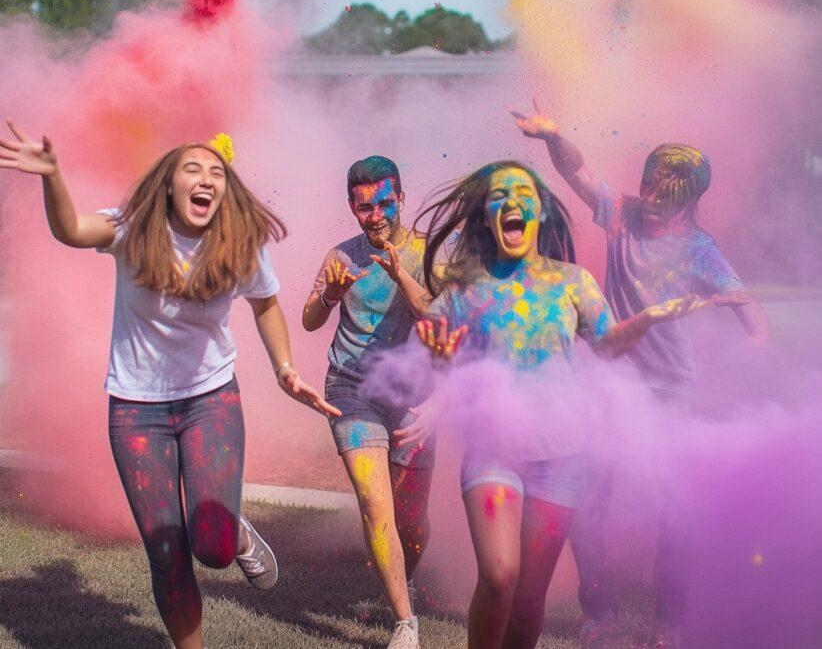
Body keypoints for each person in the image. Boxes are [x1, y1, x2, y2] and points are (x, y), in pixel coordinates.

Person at [0, 121, 339, 649]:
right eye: (192, 169)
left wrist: (285, 367)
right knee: (166, 554)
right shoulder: (132, 229)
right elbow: (70, 229)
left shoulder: (239, 243)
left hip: (211, 400)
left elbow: (266, 304)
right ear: (168, 185)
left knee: (212, 548)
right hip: (136, 412)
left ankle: (233, 532)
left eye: (216, 173)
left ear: (225, 189)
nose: (206, 179)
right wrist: (52, 176)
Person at [403, 160, 712, 649]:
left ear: (541, 212)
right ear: (486, 216)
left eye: (523, 194)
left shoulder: (573, 282)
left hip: (563, 461)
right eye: (498, 195)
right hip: (493, 454)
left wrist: (648, 319)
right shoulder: (466, 289)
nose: (512, 202)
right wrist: (438, 363)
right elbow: (430, 347)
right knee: (500, 576)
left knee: (529, 600)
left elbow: (607, 345)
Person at [513, 101, 767, 648]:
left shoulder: (699, 249)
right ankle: (599, 613)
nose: (650, 198)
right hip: (610, 387)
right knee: (585, 503)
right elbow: (578, 172)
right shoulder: (621, 214)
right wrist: (553, 137)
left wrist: (757, 344)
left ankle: (669, 624)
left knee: (674, 512)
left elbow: (745, 304)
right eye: (647, 185)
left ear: (689, 200)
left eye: (663, 193)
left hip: (670, 392)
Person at [302, 156, 434, 649]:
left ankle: (404, 581)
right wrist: (330, 296)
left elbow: (437, 316)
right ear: (351, 207)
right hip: (351, 391)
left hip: (414, 397)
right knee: (375, 503)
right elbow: (309, 320)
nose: (375, 216)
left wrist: (401, 275)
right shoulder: (341, 255)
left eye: (384, 204)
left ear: (400, 198)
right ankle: (405, 623)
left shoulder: (428, 252)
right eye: (364, 208)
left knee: (411, 520)